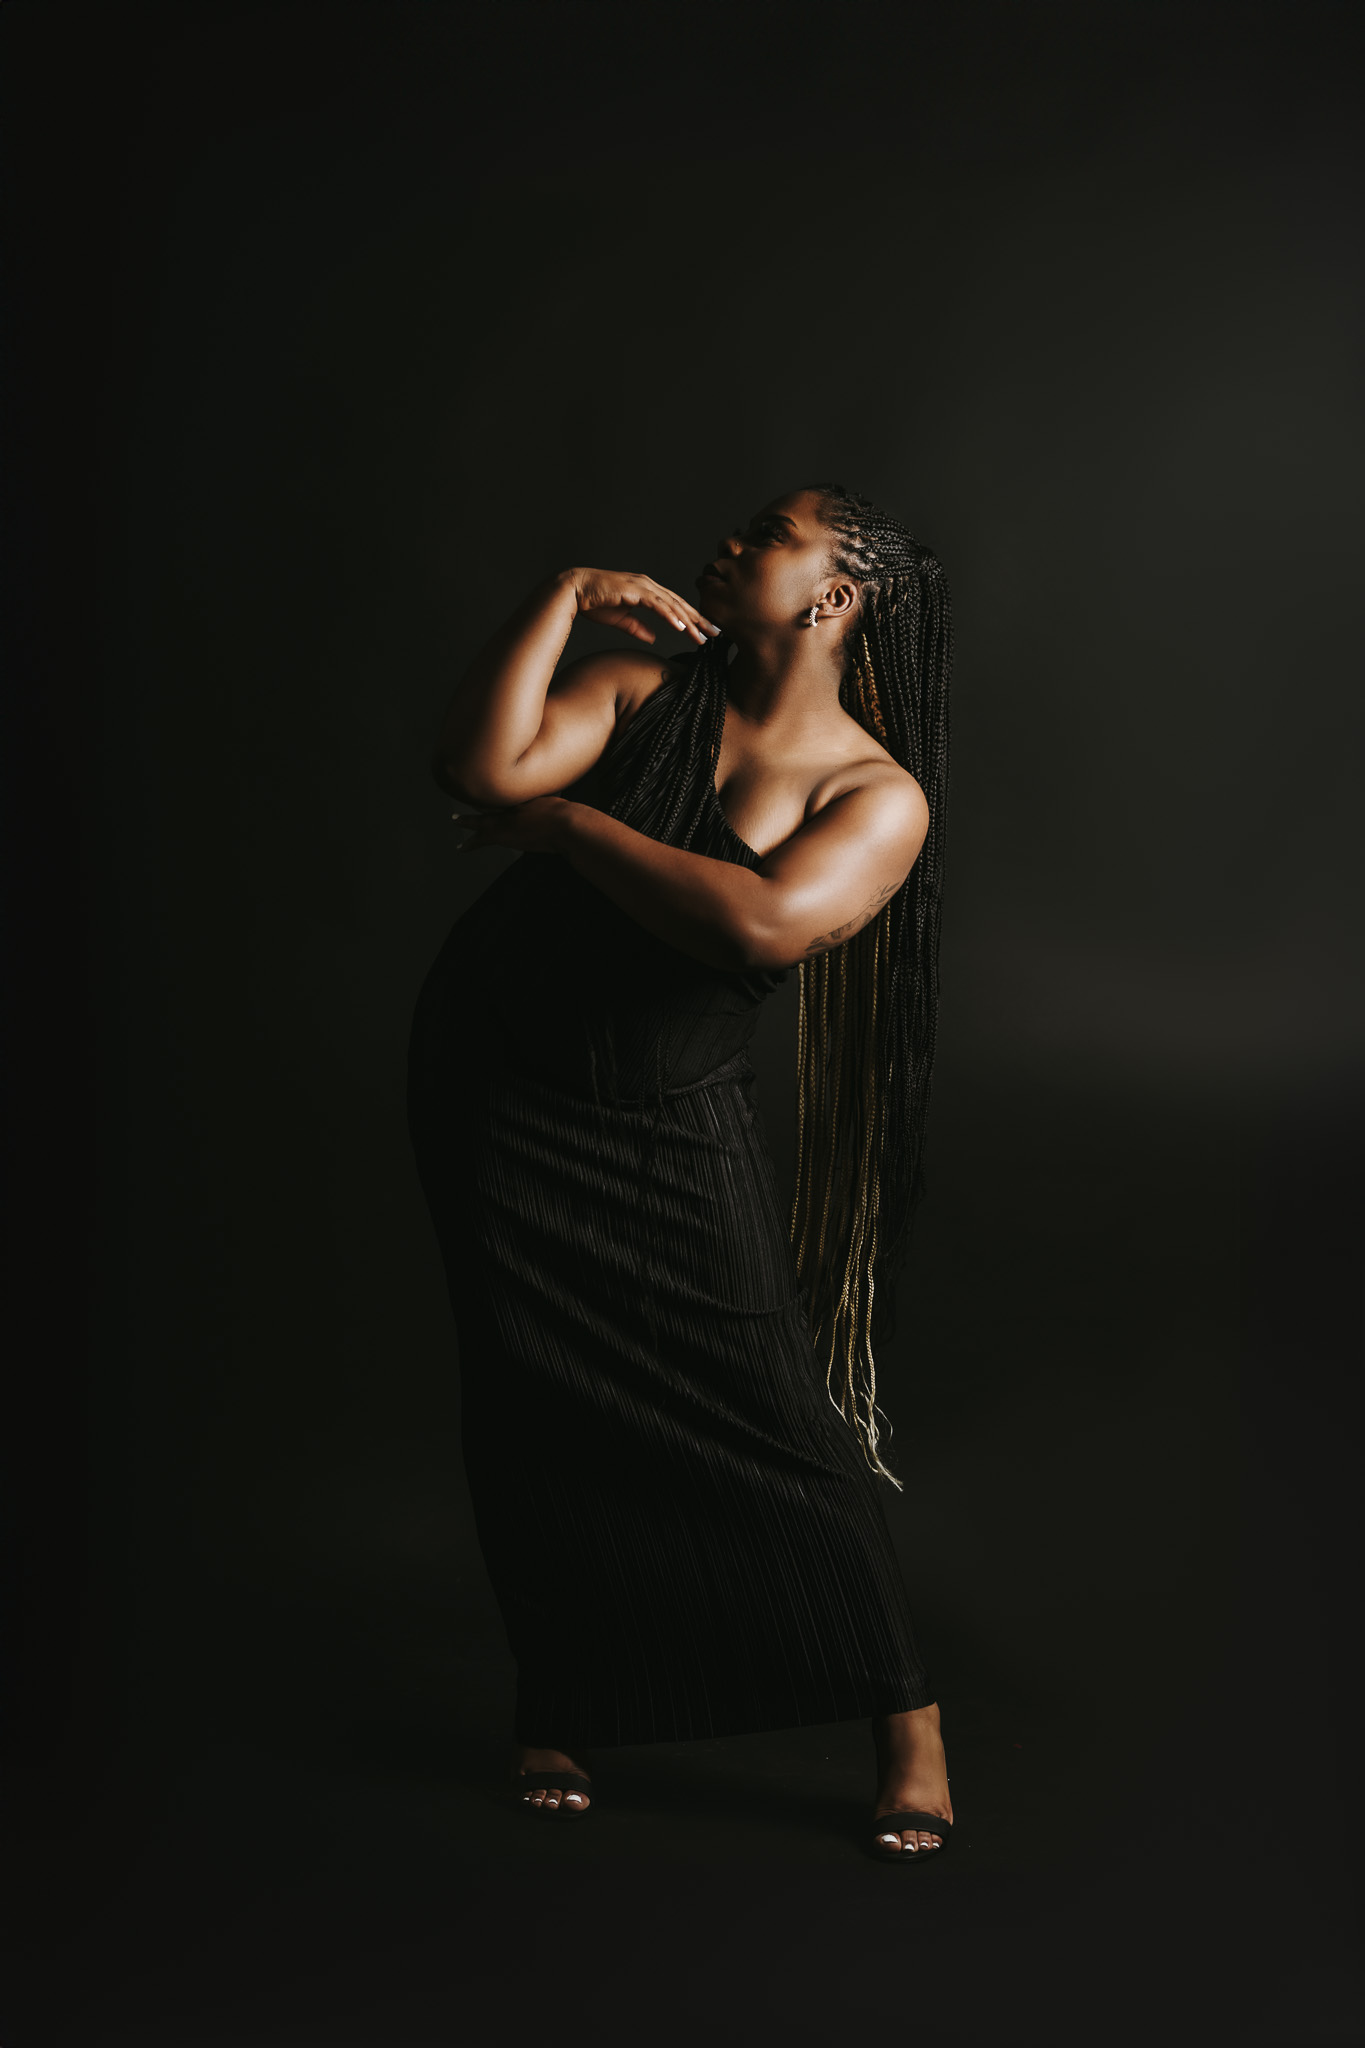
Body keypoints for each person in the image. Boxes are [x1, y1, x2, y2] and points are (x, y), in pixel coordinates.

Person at [406, 484, 954, 1859]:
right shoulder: (639, 687)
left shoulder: (873, 795)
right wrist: (559, 598)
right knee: (530, 1395)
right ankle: (563, 1701)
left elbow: (758, 928)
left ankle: (906, 1721)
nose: (731, 542)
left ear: (832, 597)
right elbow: (478, 772)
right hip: (495, 1076)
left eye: (771, 536)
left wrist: (575, 830)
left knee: (772, 1407)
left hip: (664, 1106)